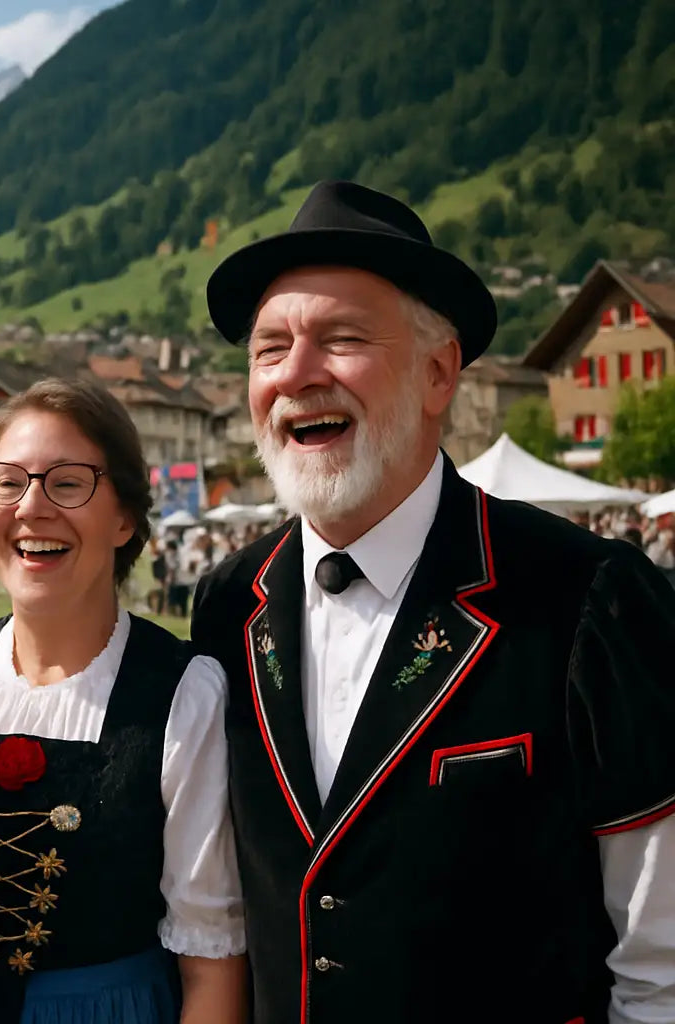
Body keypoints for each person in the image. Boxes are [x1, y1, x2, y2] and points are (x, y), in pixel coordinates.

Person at [191, 180, 675, 1023]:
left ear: (438, 372)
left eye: (342, 339)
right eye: (269, 350)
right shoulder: (229, 602)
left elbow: (660, 959)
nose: (296, 373)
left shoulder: (587, 595)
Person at [0, 379, 248, 1024]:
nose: (31, 506)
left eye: (67, 483)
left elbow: (211, 965)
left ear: (124, 518)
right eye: (8, 482)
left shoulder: (183, 693)